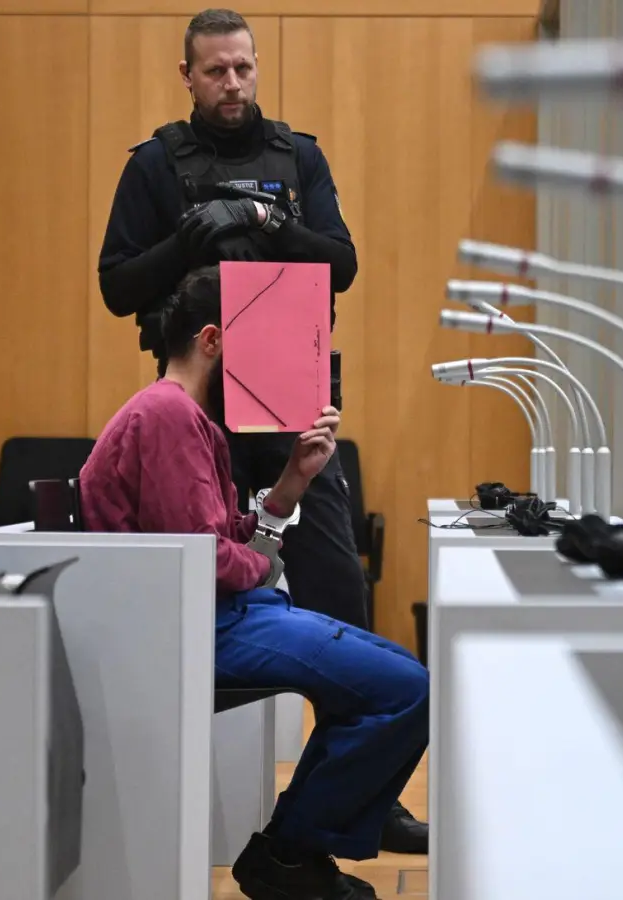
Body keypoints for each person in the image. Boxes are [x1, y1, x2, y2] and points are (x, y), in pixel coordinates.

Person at [96, 7, 429, 854]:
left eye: (244, 68)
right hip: (197, 395)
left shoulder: (297, 156)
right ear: (188, 75)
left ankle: (359, 793)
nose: (233, 84)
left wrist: (271, 225)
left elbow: (343, 264)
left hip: (285, 382)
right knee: (214, 575)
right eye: (216, 72)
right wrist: (186, 239)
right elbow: (117, 285)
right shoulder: (155, 164)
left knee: (336, 591)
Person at [79, 267, 429, 900]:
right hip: (201, 626)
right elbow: (208, 555)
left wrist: (294, 480)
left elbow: (223, 535)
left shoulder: (186, 416)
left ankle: (294, 852)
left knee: (400, 683)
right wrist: (264, 568)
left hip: (224, 614)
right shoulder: (167, 414)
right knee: (404, 688)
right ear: (213, 340)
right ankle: (290, 854)